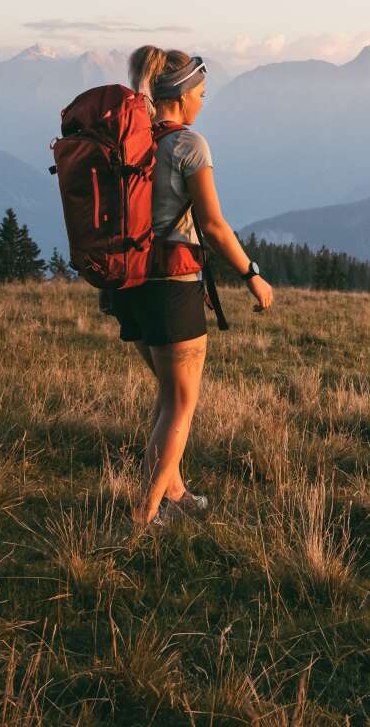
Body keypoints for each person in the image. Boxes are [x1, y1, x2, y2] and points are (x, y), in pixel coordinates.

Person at [111, 46, 274, 528]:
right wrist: (253, 276)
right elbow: (215, 226)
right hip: (171, 288)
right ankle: (142, 517)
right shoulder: (188, 146)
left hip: (128, 289)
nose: (203, 103)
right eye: (200, 94)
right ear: (181, 97)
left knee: (167, 397)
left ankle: (175, 491)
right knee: (180, 405)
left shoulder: (131, 139)